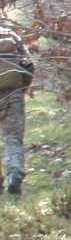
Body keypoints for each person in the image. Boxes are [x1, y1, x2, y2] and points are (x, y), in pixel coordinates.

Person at [0, 24, 32, 196]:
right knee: (13, 139)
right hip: (12, 95)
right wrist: (20, 90)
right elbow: (28, 65)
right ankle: (14, 175)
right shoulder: (11, 36)